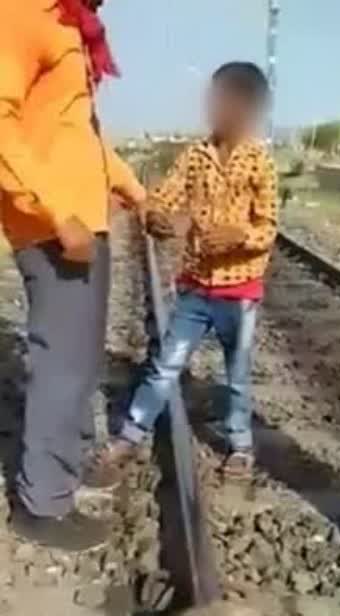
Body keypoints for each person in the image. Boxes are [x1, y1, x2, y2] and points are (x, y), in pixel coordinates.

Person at [84, 61, 278, 488]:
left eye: (228, 100)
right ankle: (130, 436)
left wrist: (237, 235)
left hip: (239, 292)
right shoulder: (195, 156)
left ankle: (240, 445)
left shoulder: (259, 162)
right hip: (195, 288)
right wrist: (155, 217)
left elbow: (267, 228)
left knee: (238, 375)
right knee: (164, 366)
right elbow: (161, 198)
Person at [1, 0, 148, 551]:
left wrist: (135, 193)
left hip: (84, 220)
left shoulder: (69, 24)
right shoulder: (20, 12)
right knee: (61, 363)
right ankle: (43, 502)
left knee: (82, 359)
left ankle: (74, 456)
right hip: (54, 226)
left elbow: (81, 134)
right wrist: (55, 212)